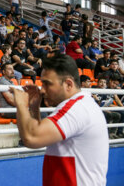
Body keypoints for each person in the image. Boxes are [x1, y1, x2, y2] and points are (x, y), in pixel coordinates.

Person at [10, 54, 108, 185]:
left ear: (68, 84)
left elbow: (31, 138)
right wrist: (34, 107)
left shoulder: (76, 109)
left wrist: (21, 104)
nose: (42, 90)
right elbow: (41, 137)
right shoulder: (81, 104)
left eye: (47, 84)